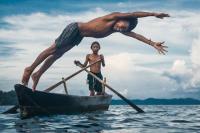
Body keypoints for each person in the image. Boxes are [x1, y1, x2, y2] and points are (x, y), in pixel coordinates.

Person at [21, 11, 169, 91]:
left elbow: (136, 36)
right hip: (75, 29)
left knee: (57, 55)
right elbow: (134, 14)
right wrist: (152, 14)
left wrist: (152, 43)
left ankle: (38, 74)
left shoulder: (118, 28)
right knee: (53, 49)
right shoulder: (115, 17)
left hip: (79, 36)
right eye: (122, 27)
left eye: (123, 30)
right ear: (124, 19)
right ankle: (30, 69)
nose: (120, 29)